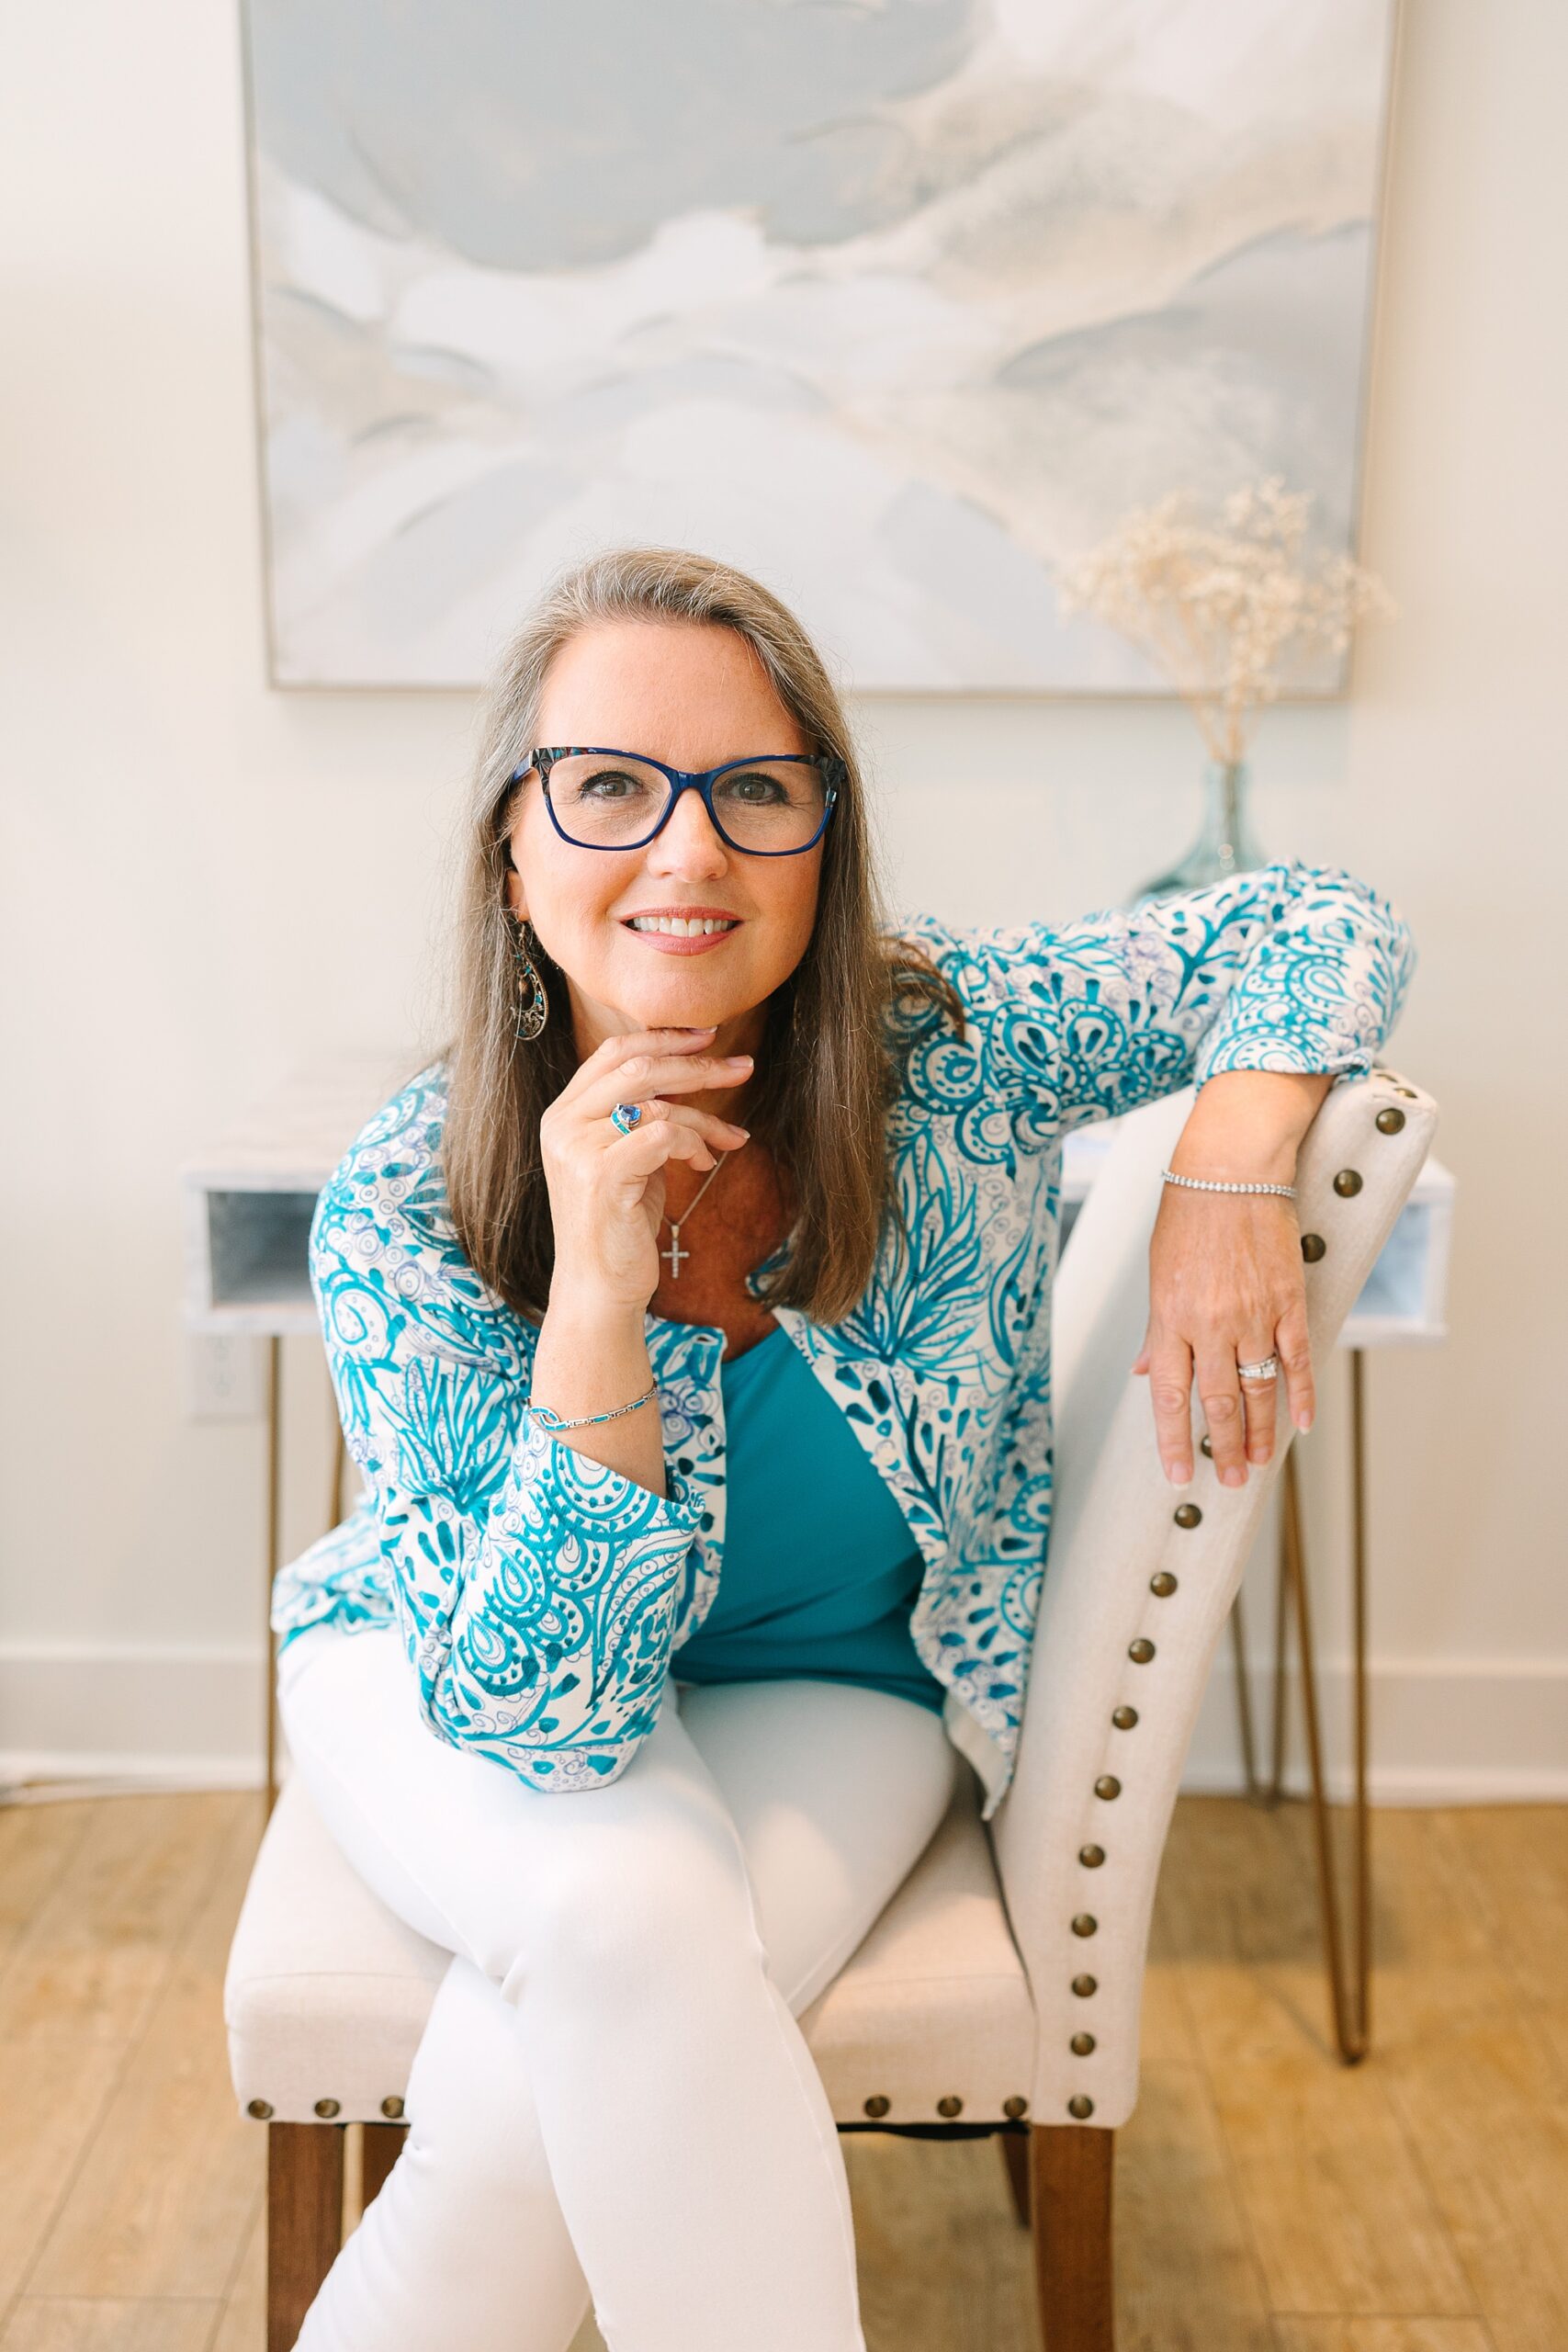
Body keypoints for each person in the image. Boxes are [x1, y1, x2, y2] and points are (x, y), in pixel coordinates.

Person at [272, 544, 1417, 2351]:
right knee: (617, 1907)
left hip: (844, 1683)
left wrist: (1220, 1160)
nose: (686, 849)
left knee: (536, 2061)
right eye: (605, 787)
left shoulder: (945, 1046)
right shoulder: (405, 1206)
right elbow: (549, 1716)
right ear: (511, 849)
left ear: (826, 834)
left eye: (754, 788)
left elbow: (1311, 916)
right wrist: (591, 1289)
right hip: (441, 1674)